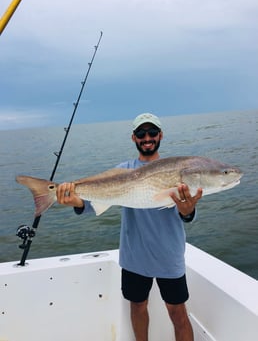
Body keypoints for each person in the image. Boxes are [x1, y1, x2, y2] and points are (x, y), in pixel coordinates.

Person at [56, 113, 203, 341]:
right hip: (134, 258)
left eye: (152, 132)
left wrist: (188, 211)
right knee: (137, 306)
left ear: (160, 135)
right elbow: (93, 202)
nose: (147, 138)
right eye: (141, 133)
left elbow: (186, 213)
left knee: (177, 312)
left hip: (169, 257)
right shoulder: (124, 170)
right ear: (134, 138)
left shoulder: (177, 170)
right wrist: (74, 199)